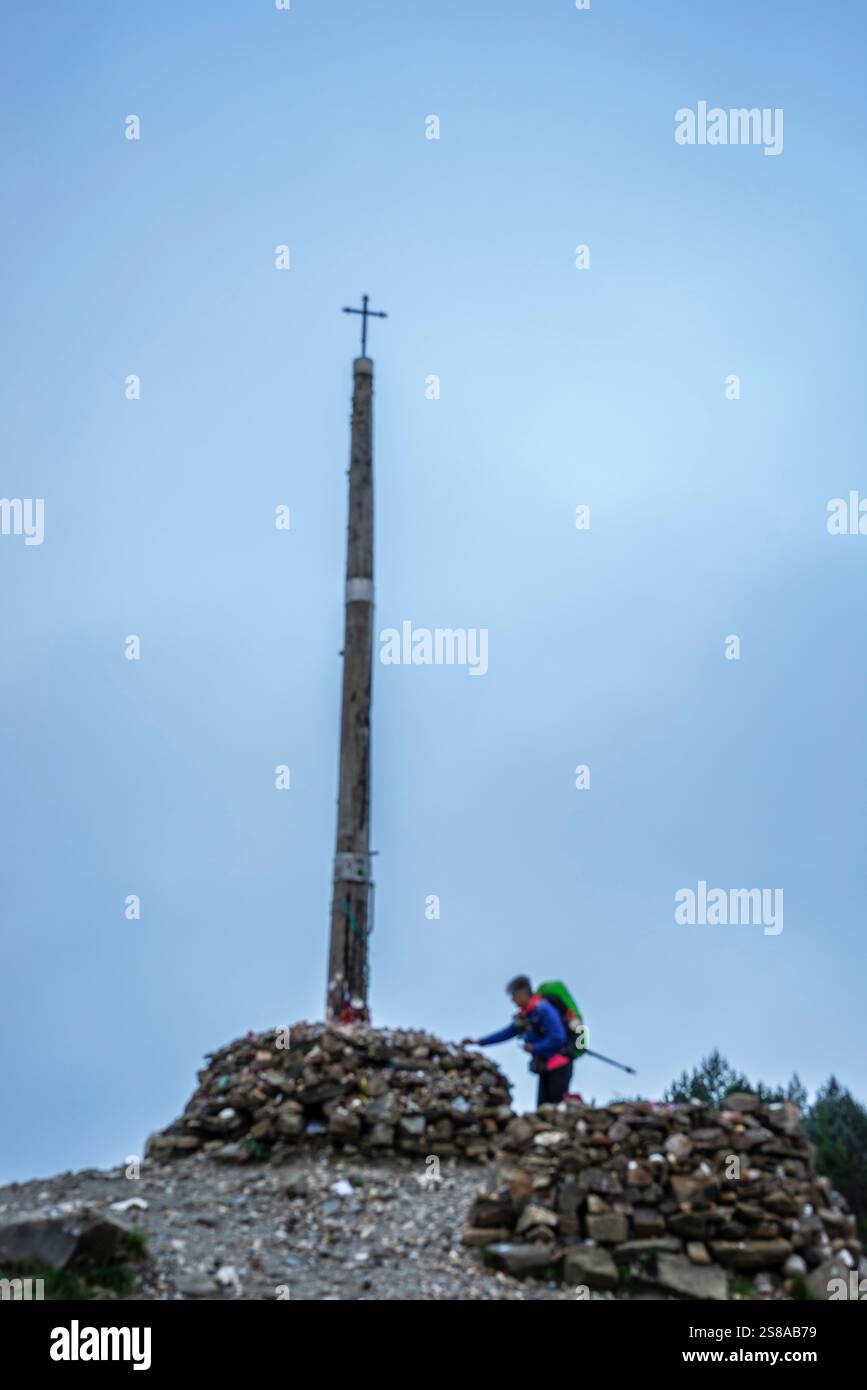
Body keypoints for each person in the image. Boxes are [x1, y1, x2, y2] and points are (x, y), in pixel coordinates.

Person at [463, 975, 574, 1107]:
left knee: (556, 1106)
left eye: (513, 995)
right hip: (545, 1065)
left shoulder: (543, 1009)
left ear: (522, 993)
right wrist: (479, 1042)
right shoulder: (526, 1015)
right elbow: (506, 1033)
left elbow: (558, 1037)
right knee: (544, 1107)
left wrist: (535, 1047)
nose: (512, 999)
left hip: (559, 1063)